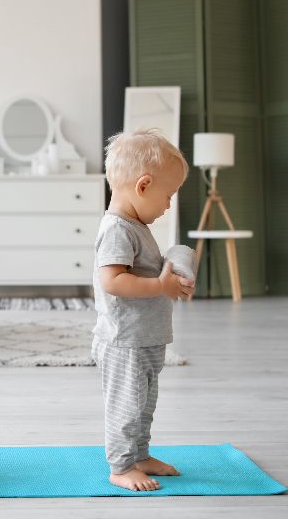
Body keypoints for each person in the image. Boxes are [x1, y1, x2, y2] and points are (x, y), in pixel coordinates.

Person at [92, 129, 193, 491]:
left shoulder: (136, 225)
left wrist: (170, 269)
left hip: (145, 337)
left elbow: (144, 269)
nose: (168, 205)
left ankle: (139, 454)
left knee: (144, 405)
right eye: (168, 195)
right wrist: (161, 286)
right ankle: (121, 466)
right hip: (125, 341)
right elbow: (113, 280)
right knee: (126, 406)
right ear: (144, 185)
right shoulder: (118, 229)